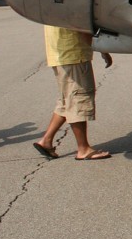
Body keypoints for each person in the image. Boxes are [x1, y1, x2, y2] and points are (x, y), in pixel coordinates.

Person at [33, 25, 113, 161]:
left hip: (60, 55)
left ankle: (47, 140)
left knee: (67, 100)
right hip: (73, 55)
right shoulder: (70, 4)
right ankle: (83, 149)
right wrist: (102, 49)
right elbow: (80, 26)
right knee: (78, 100)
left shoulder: (51, 4)